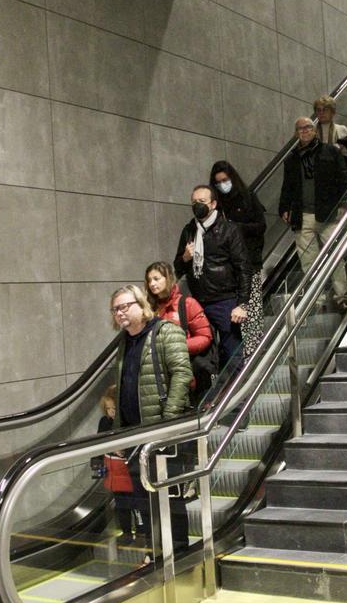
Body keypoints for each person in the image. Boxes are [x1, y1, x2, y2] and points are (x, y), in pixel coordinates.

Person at [107, 284, 193, 547]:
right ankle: (155, 550)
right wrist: (119, 434)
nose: (119, 313)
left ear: (141, 304)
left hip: (161, 431)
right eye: (115, 309)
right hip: (134, 434)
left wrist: (168, 420)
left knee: (169, 496)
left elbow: (182, 373)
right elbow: (122, 387)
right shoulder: (124, 341)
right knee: (142, 498)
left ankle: (177, 550)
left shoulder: (166, 332)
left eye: (124, 306)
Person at [278, 116, 347, 307]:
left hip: (327, 213)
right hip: (301, 216)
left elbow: (343, 178)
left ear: (314, 130)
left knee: (335, 255)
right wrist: (284, 208)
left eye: (308, 127)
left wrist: (343, 204)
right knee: (308, 261)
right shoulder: (292, 159)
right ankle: (316, 299)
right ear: (296, 133)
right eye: (300, 128)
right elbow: (287, 186)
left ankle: (341, 296)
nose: (304, 131)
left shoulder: (330, 152)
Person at [176, 184, 251, 372]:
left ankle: (237, 399)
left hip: (225, 301)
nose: (197, 205)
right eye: (194, 202)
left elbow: (243, 267)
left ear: (213, 204)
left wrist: (242, 303)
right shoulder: (188, 230)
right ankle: (210, 400)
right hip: (199, 302)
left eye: (202, 201)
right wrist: (185, 258)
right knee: (202, 358)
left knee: (232, 354)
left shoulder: (229, 229)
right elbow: (177, 268)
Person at [144, 260, 215, 396]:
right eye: (149, 280)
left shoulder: (187, 303)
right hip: (157, 374)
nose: (152, 284)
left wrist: (177, 346)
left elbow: (205, 336)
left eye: (156, 279)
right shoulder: (148, 309)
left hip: (184, 371)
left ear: (168, 278)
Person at [208, 159, 266, 269]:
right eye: (218, 183)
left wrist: (236, 227)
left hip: (250, 259)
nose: (222, 185)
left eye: (225, 180)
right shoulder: (216, 204)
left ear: (232, 178)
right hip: (227, 263)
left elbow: (261, 226)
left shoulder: (248, 198)